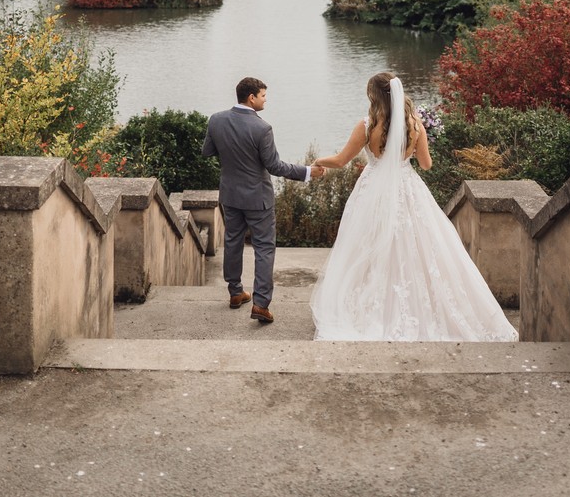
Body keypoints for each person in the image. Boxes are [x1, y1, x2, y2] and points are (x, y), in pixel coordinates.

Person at [309, 71, 517, 341]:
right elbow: (427, 164)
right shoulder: (415, 124)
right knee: (418, 246)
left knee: (368, 246)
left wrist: (317, 162)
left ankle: (369, 306)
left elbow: (340, 160)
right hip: (408, 190)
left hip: (373, 192)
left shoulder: (367, 125)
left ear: (374, 96)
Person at [202, 76, 322, 324]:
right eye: (263, 96)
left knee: (232, 241)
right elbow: (275, 166)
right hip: (259, 200)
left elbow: (207, 152)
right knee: (264, 248)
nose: (266, 100)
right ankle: (260, 304)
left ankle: (235, 292)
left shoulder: (216, 120)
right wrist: (308, 171)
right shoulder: (262, 128)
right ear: (251, 98)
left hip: (230, 195)